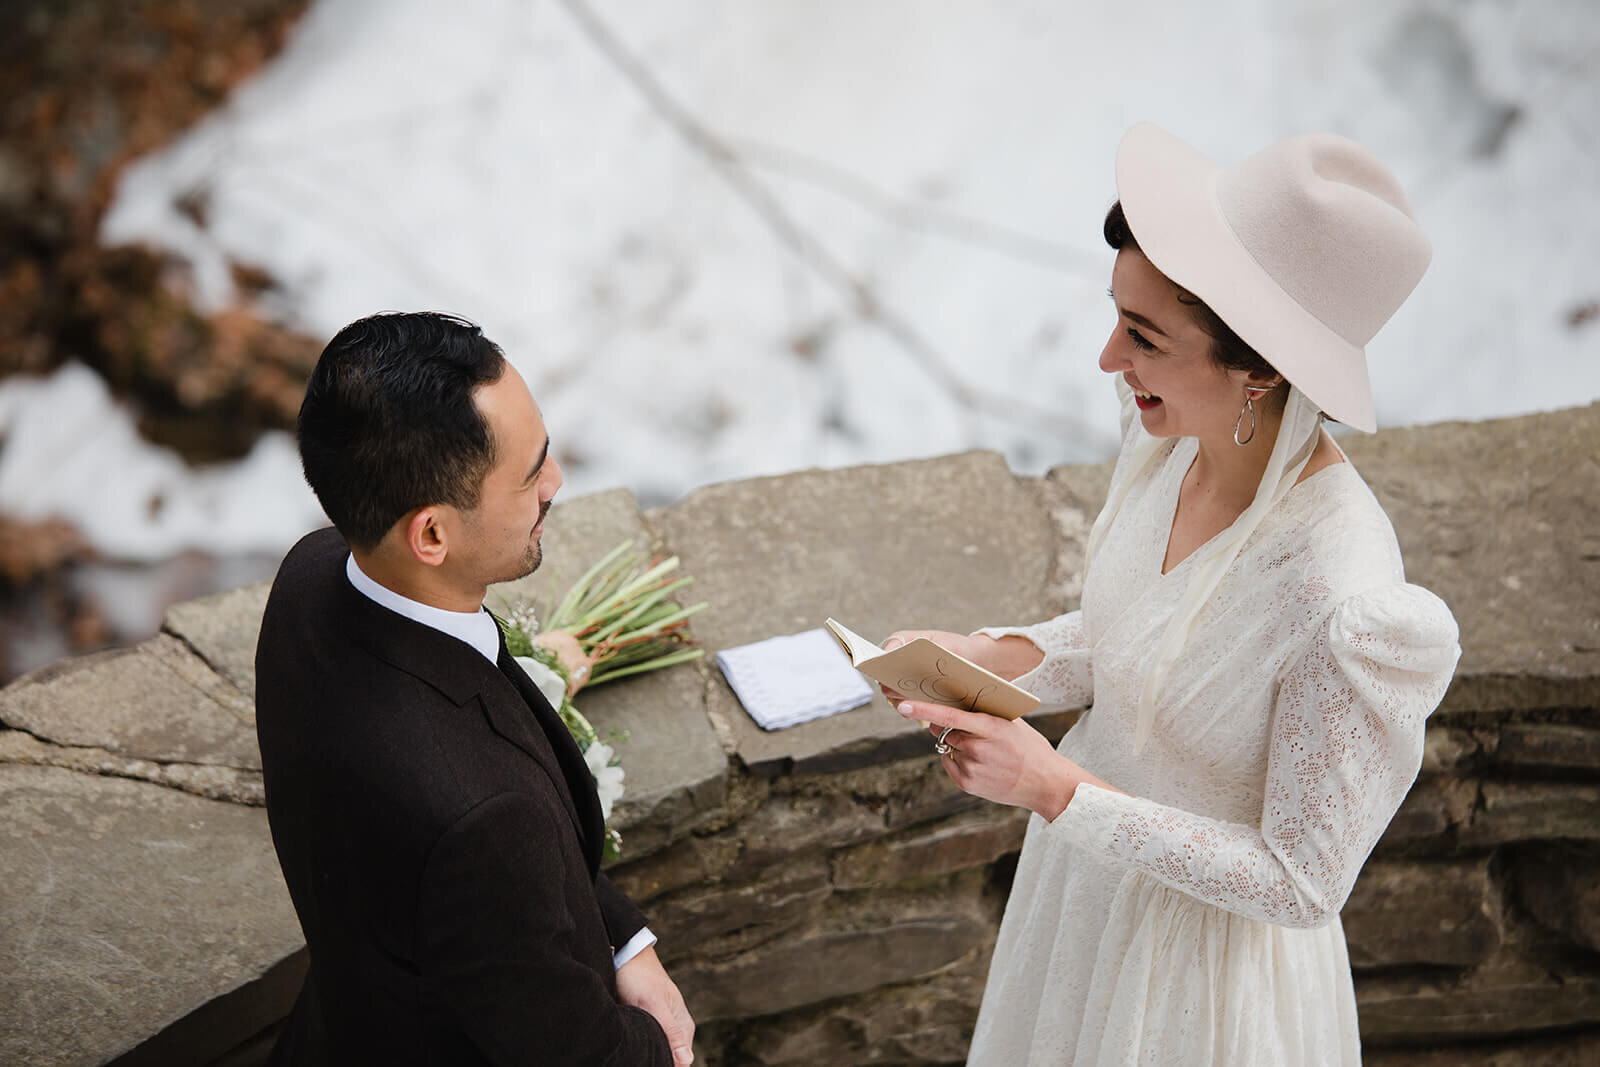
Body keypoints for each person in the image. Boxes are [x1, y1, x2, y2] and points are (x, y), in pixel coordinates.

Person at [885, 124, 1460, 1065]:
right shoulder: (1171, 442)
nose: (1109, 359)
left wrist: (1057, 786)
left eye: (1144, 336)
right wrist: (994, 657)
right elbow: (1143, 636)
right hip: (1079, 899)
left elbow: (1301, 883)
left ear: (1263, 368)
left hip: (1196, 982)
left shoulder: (1345, 603)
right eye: (1116, 316)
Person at [255, 311, 695, 1065]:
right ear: (431, 535)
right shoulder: (481, 814)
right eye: (531, 474)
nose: (557, 483)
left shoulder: (309, 578)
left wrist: (626, 941)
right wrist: (663, 1046)